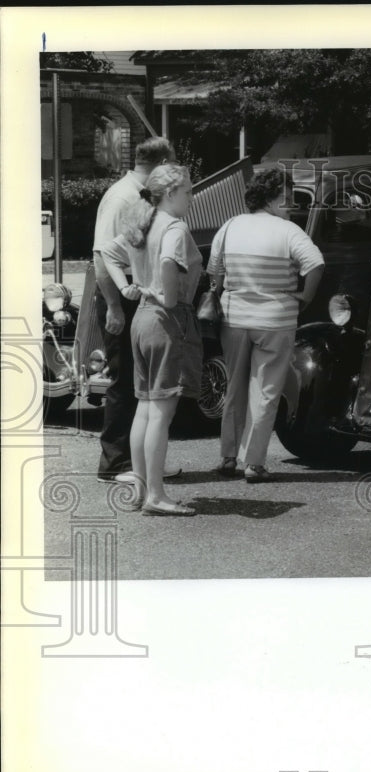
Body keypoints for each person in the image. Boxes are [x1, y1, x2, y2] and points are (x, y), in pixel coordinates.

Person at [208, 167, 324, 483]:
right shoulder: (289, 232)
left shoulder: (230, 226)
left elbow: (215, 273)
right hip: (276, 319)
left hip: (234, 319)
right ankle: (254, 463)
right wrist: (303, 297)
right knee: (266, 390)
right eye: (286, 197)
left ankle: (228, 456)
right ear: (272, 198)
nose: (290, 205)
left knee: (235, 387)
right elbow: (315, 264)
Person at [101, 165, 203, 516]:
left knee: (144, 408)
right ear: (172, 193)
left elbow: (107, 254)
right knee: (161, 412)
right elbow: (168, 262)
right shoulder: (173, 226)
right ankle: (156, 495)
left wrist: (130, 286)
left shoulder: (142, 224)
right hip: (167, 320)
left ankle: (142, 490)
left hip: (141, 320)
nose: (192, 197)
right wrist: (168, 296)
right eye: (188, 191)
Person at [92, 135, 181, 483]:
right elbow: (103, 255)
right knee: (124, 380)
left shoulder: (140, 195)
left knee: (141, 382)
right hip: (123, 295)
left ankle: (143, 460)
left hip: (135, 293)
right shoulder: (123, 197)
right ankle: (115, 462)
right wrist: (113, 306)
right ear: (160, 164)